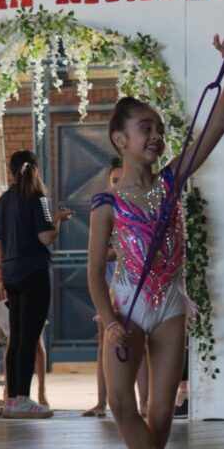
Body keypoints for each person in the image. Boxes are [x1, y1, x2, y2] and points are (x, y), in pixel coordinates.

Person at [87, 36, 224, 449]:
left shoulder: (172, 182)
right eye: (145, 128)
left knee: (159, 410)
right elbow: (93, 273)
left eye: (159, 128)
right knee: (119, 402)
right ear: (120, 140)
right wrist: (110, 320)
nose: (156, 136)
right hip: (127, 308)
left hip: (170, 304)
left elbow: (217, 125)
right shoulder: (106, 204)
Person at [0, 150, 72, 419]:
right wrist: (58, 221)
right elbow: (46, 237)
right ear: (36, 169)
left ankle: (11, 399)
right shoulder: (41, 199)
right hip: (34, 273)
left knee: (16, 338)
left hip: (11, 273)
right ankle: (24, 399)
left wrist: (3, 269)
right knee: (30, 338)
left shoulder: (2, 202)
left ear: (12, 171)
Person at [83, 158, 150, 418]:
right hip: (111, 280)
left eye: (123, 178)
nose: (119, 183)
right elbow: (98, 258)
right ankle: (102, 402)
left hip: (136, 281)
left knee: (139, 342)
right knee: (106, 341)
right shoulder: (106, 209)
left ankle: (145, 402)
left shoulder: (141, 208)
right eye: (114, 179)